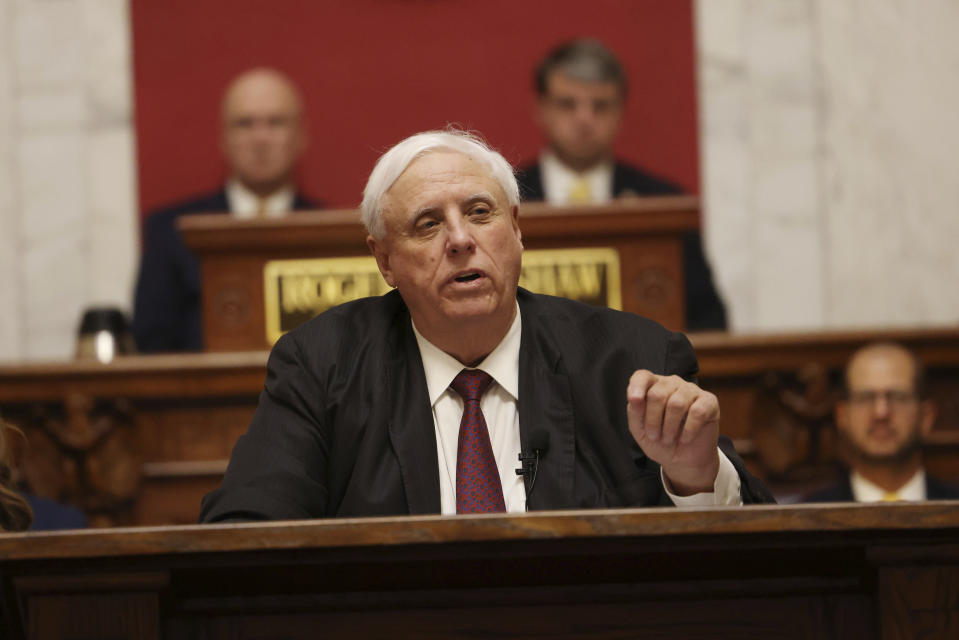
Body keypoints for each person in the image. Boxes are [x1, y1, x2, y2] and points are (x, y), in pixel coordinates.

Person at [200, 129, 773, 523]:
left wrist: (695, 477)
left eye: (480, 212)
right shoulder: (323, 365)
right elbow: (244, 532)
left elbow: (757, 564)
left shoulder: (629, 359)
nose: (460, 239)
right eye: (427, 224)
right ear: (384, 261)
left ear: (517, 229)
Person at [515, 39, 727, 331]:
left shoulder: (663, 206)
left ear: (621, 113)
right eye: (567, 104)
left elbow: (708, 322)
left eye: (600, 106)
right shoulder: (506, 201)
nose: (584, 119)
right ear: (541, 109)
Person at [133, 67, 320, 352]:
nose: (261, 138)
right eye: (245, 124)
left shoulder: (330, 233)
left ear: (301, 136)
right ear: (224, 138)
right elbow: (150, 345)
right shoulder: (172, 233)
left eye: (276, 123)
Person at [805, 342, 959, 503]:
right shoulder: (802, 517)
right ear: (842, 416)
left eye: (897, 397)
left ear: (926, 416)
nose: (881, 412)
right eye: (865, 398)